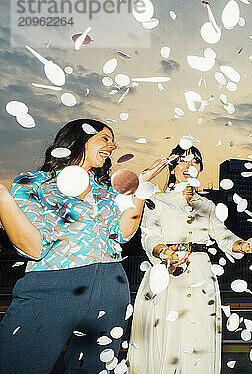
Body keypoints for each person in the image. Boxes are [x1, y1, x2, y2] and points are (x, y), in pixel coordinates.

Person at [0, 118, 169, 373]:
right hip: (50, 288)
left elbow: (123, 234)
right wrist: (2, 197)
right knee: (17, 365)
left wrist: (138, 191)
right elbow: (33, 248)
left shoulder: (107, 190)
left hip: (111, 289)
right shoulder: (33, 183)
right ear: (80, 138)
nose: (113, 146)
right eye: (105, 138)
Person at [127, 144, 252, 374]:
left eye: (194, 162)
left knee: (197, 340)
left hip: (200, 275)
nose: (188, 166)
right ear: (172, 168)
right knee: (166, 341)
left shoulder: (207, 205)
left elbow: (223, 235)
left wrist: (244, 245)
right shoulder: (157, 199)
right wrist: (164, 252)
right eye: (182, 161)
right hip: (165, 275)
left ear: (200, 169)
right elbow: (149, 235)